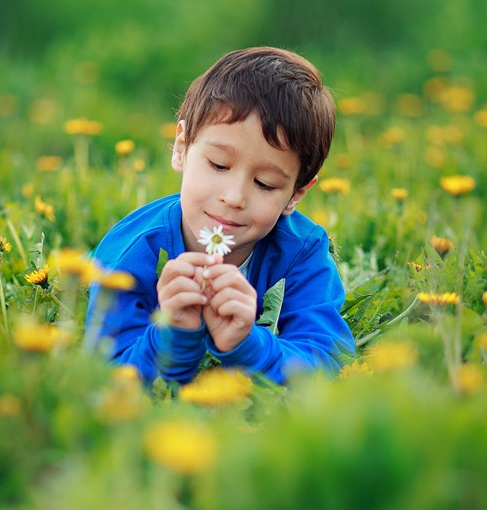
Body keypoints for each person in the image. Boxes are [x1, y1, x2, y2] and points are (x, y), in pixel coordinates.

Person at [86, 46, 355, 384]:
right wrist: (173, 334)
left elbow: (331, 365)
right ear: (182, 147)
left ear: (296, 194)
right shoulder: (132, 254)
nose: (234, 197)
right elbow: (106, 377)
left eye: (265, 184)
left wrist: (249, 345)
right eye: (218, 165)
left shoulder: (302, 252)